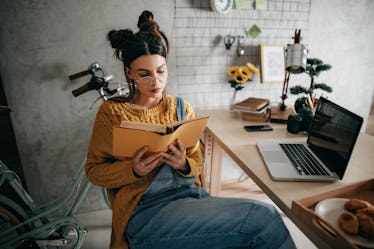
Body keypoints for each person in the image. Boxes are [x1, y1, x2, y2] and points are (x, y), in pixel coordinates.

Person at [85, 10, 297, 249]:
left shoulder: (180, 107)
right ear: (129, 72)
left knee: (256, 226)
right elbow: (94, 171)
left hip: (189, 198)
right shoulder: (113, 113)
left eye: (161, 71)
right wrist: (132, 169)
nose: (156, 82)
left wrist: (183, 164)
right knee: (263, 219)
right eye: (144, 74)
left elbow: (196, 162)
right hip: (144, 211)